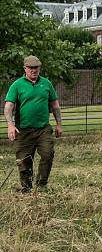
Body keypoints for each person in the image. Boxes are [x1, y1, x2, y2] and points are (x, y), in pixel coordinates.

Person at [4, 55, 62, 193]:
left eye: (36, 68)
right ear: (25, 68)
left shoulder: (46, 83)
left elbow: (55, 106)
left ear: (39, 68)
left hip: (43, 129)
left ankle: (41, 184)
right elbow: (8, 107)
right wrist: (10, 125)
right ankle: (27, 187)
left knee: (48, 154)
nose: (33, 70)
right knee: (24, 161)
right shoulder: (17, 85)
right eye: (30, 68)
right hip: (23, 130)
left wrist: (59, 124)